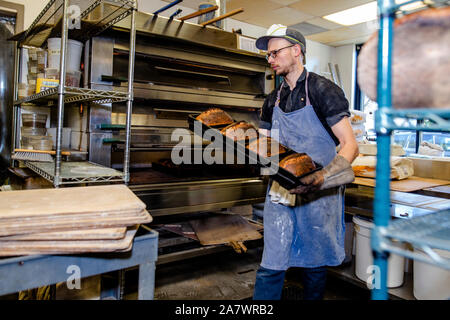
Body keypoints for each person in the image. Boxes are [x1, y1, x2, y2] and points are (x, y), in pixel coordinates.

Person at [253, 24, 359, 300]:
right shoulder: (272, 100)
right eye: (268, 55)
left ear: (296, 51)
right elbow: (263, 146)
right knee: (272, 262)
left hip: (319, 191)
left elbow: (350, 145)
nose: (270, 59)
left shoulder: (324, 90)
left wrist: (321, 179)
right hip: (281, 191)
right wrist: (240, 145)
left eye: (275, 52)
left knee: (314, 263)